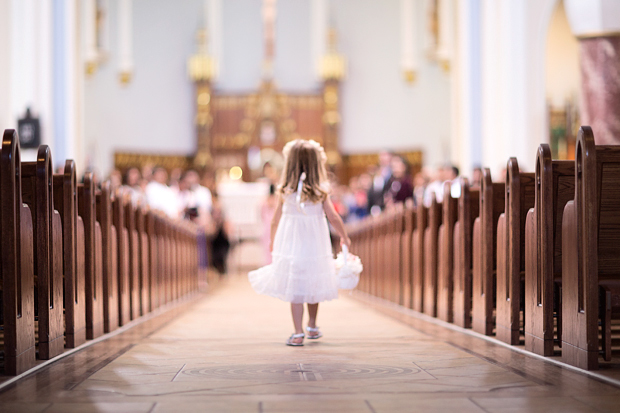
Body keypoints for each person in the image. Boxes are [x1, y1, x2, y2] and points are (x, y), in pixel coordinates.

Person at [248, 139, 351, 347]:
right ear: (316, 163)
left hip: (291, 244)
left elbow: (276, 219)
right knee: (314, 281)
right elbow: (333, 216)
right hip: (315, 244)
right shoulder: (320, 189)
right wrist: (344, 235)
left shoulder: (285, 188)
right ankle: (312, 325)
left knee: (296, 285)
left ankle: (297, 332)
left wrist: (272, 241)